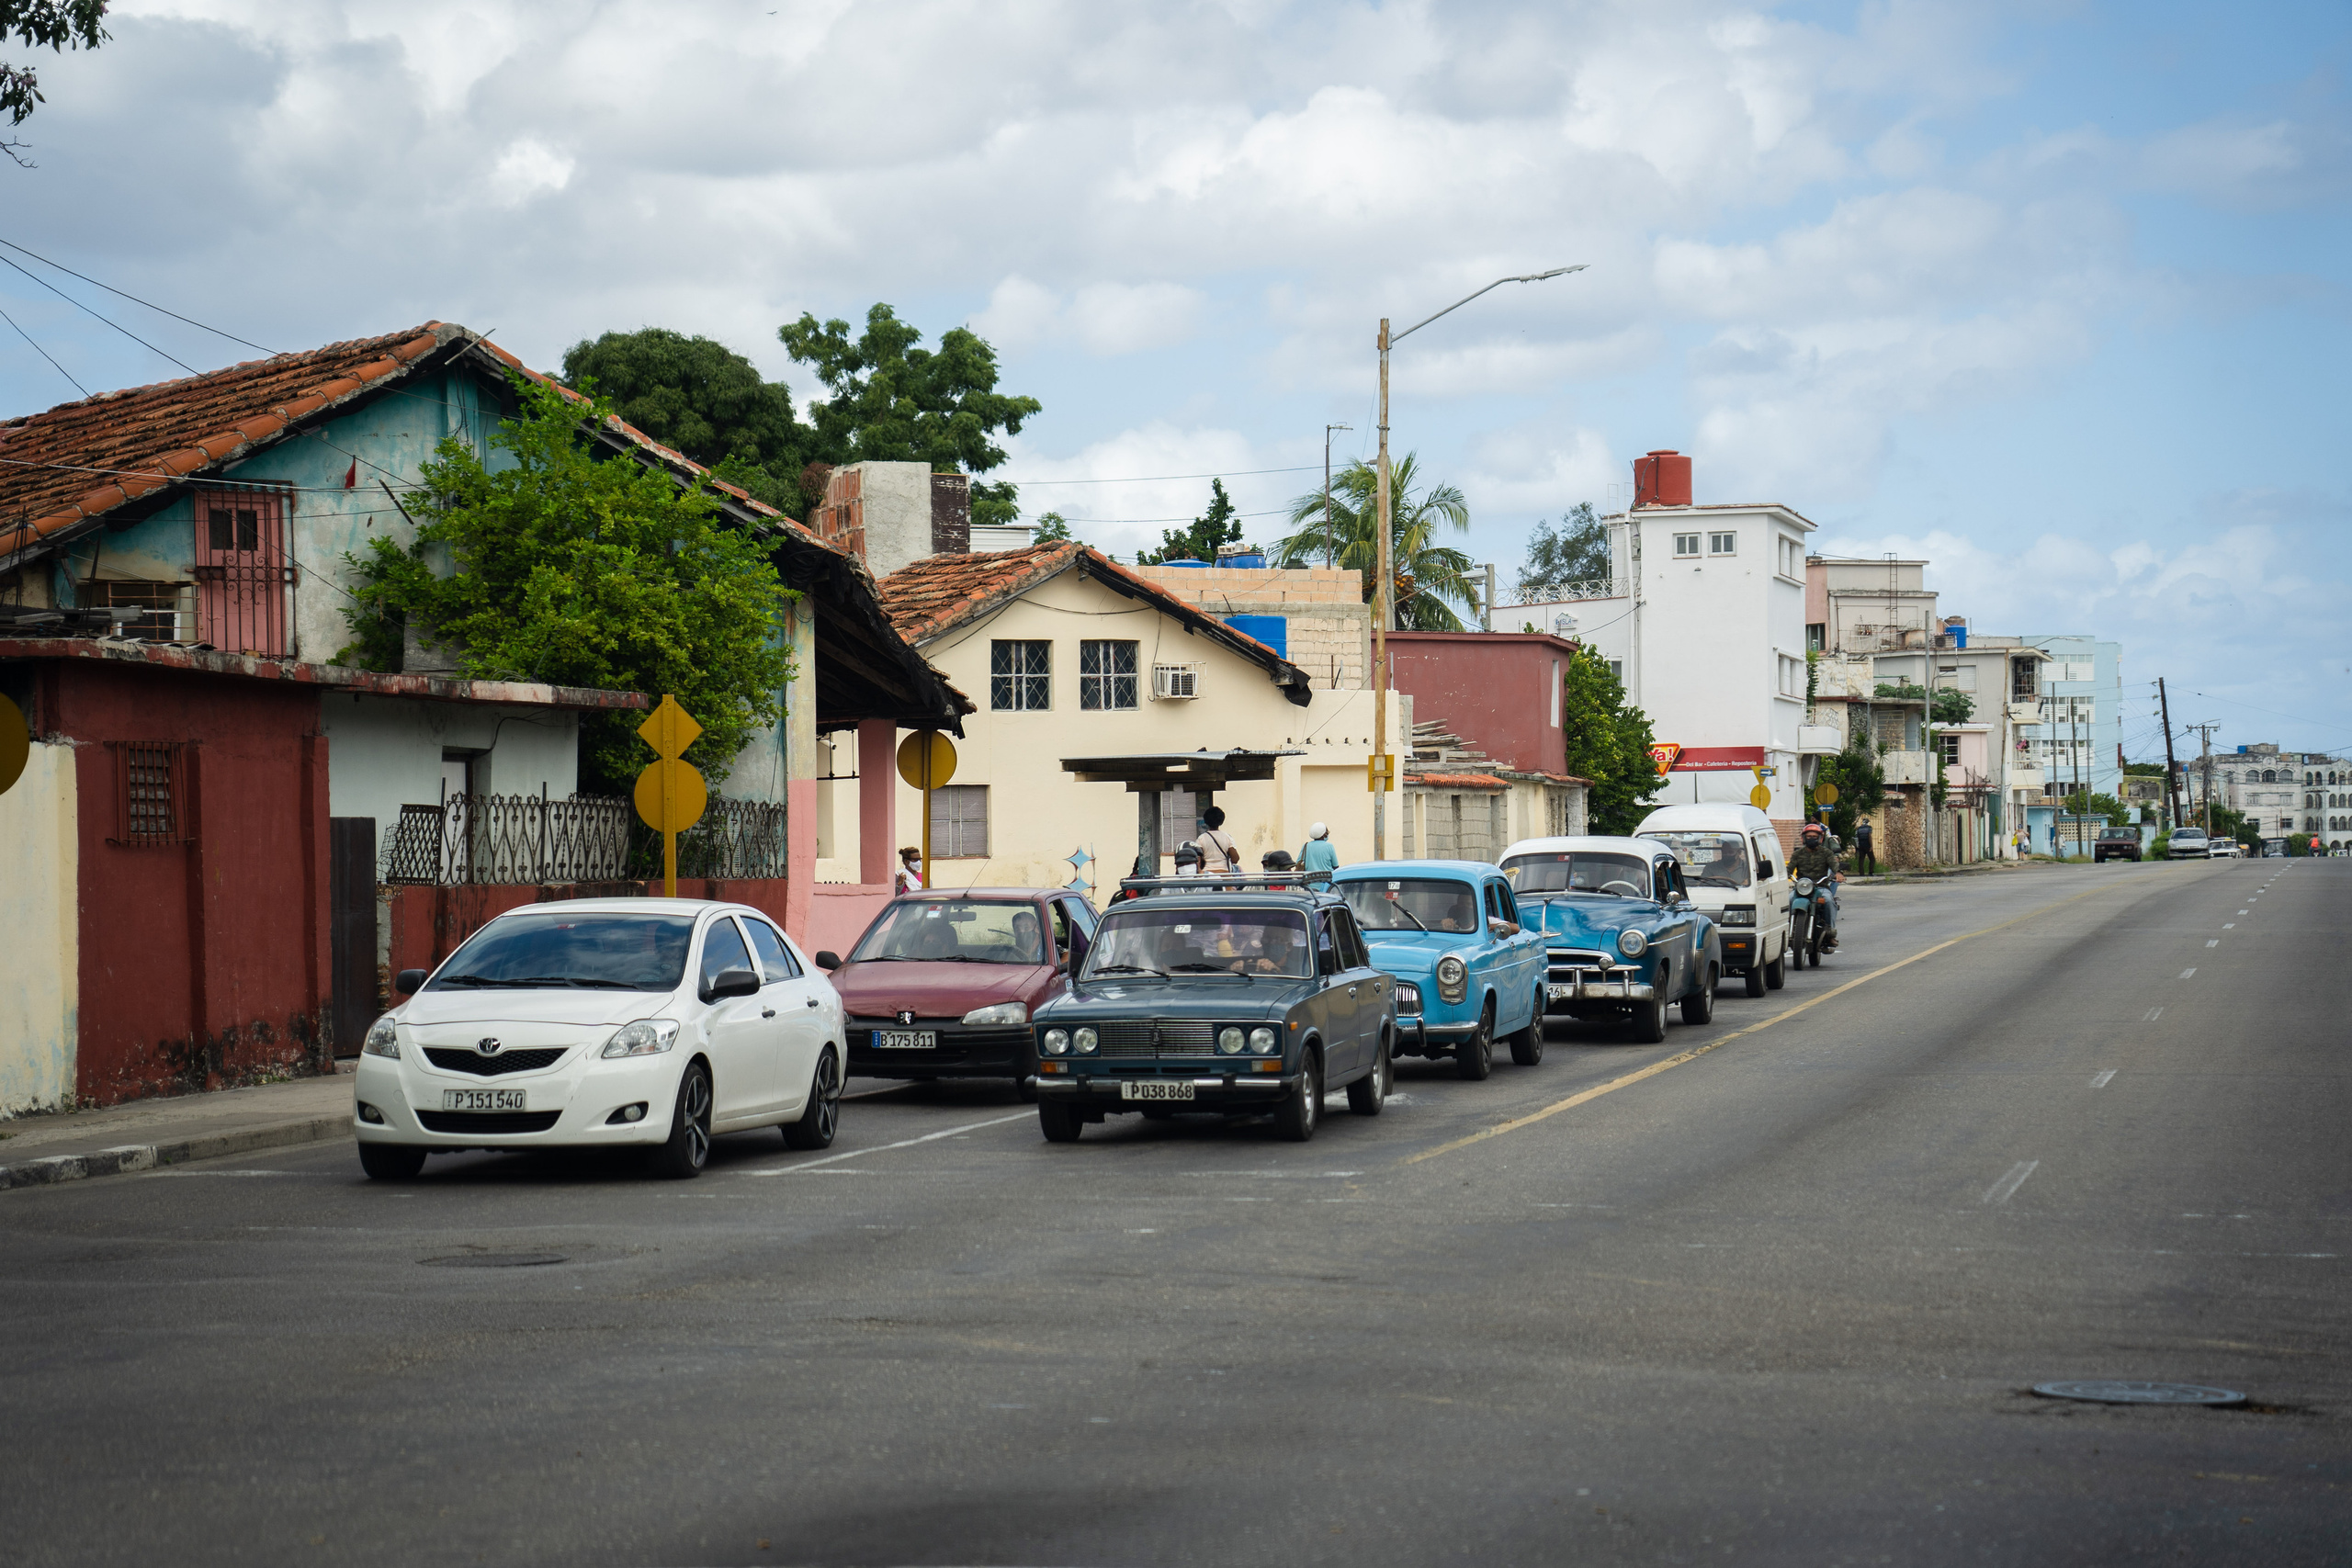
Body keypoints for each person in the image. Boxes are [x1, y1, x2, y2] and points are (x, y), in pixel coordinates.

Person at [1790, 821, 1843, 952]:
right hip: (1802, 887)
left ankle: (1830, 933)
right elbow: (1789, 869)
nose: (1811, 839)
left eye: (1814, 836)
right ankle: (1787, 930)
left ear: (1820, 838)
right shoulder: (1798, 854)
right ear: (1803, 838)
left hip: (1821, 887)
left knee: (1829, 901)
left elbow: (1834, 865)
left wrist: (1838, 873)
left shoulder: (1826, 853)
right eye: (1809, 836)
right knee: (1788, 900)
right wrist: (1781, 875)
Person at [1193, 806, 1241, 877]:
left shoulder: (1201, 839)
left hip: (1207, 875)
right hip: (1224, 875)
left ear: (1206, 821)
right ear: (1221, 821)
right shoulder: (1227, 837)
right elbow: (1235, 859)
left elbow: (1198, 859)